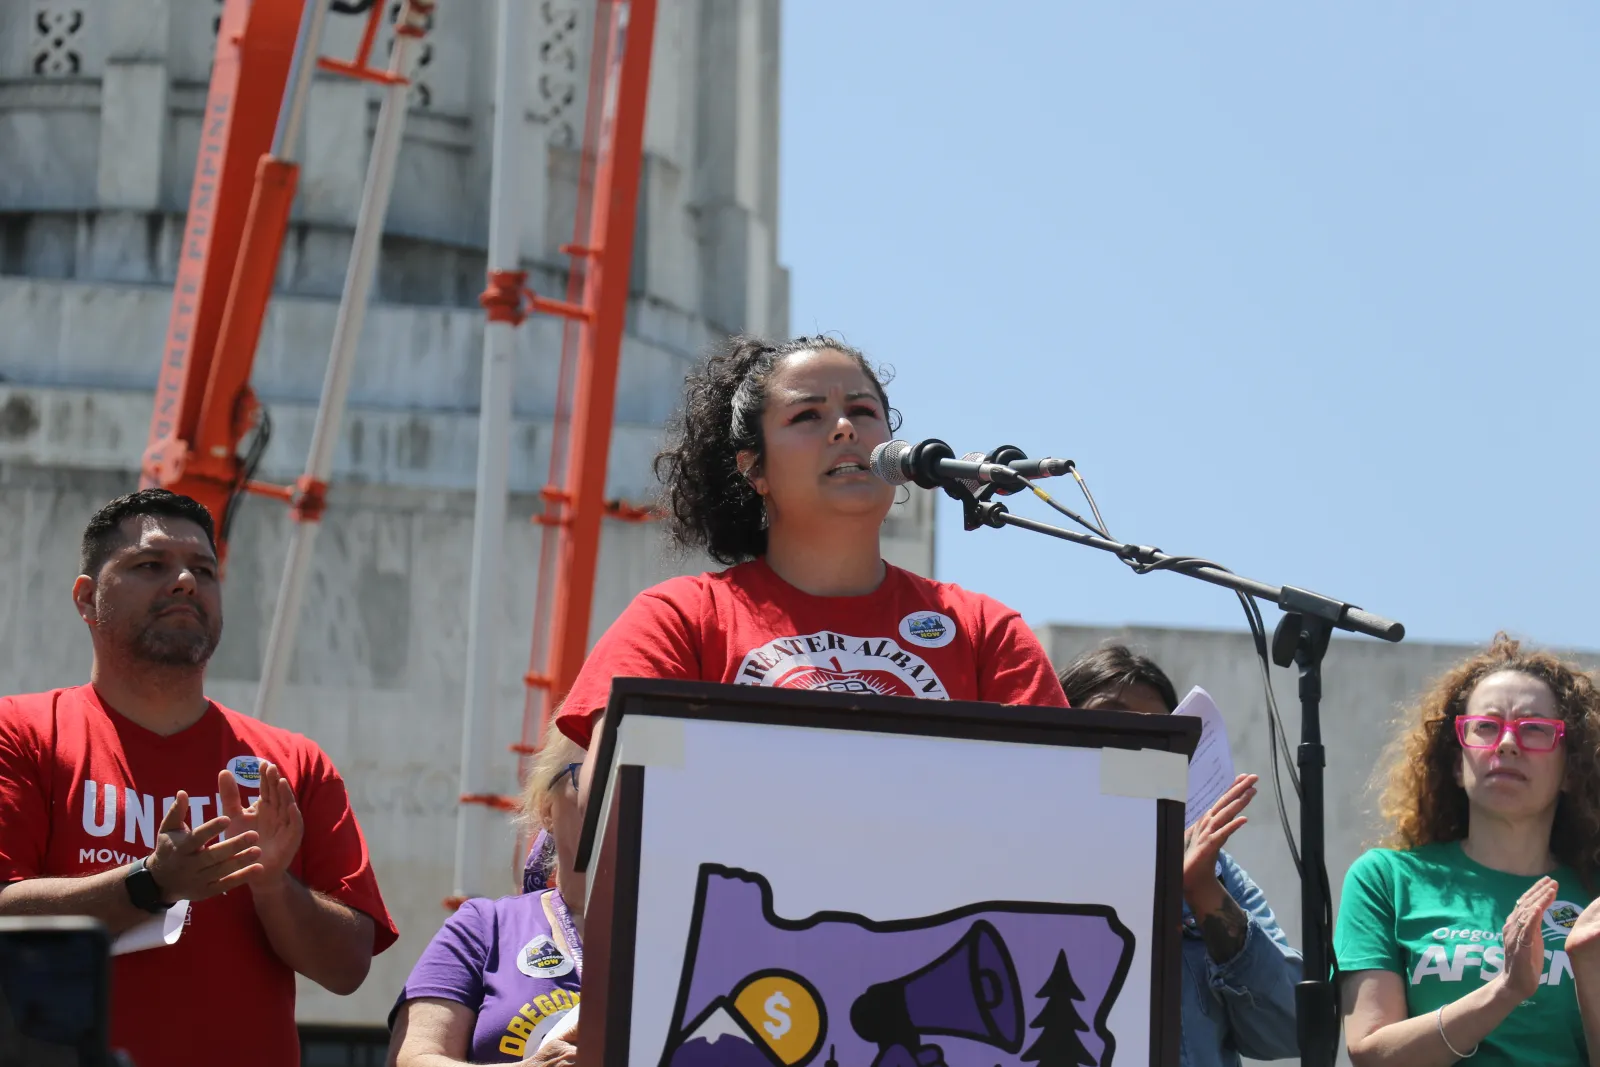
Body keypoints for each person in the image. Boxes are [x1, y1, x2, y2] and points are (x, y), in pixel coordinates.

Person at [553, 334, 1068, 789]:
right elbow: (623, 806)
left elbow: (1054, 806)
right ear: (755, 469)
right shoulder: (680, 619)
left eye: (864, 412)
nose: (845, 428)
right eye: (807, 416)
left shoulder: (983, 631)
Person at [0, 489, 397, 1067]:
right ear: (87, 599)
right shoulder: (22, 733)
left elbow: (347, 969)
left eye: (204, 570)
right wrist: (150, 883)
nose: (185, 581)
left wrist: (271, 883)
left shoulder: (292, 763)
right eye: (150, 565)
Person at [1336, 634, 1600, 1066]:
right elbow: (1370, 1053)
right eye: (1486, 727)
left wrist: (1591, 974)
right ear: (1458, 765)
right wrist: (1504, 991)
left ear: (1571, 770)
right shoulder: (1386, 879)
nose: (1508, 743)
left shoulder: (1595, 900)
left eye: (1534, 728)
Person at [1058, 643, 1302, 1067]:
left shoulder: (1218, 874)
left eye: (1157, 732)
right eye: (1112, 718)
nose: (1135, 742)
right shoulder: (1021, 858)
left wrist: (1201, 890)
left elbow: (1289, 1031)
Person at [388, 730, 588, 1066]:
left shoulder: (696, 934)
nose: (615, 800)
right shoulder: (487, 927)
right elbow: (412, 1059)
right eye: (591, 779)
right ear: (547, 809)